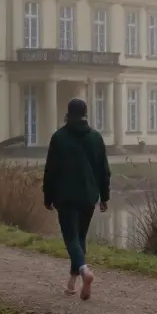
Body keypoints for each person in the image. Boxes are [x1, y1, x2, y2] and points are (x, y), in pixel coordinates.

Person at [42, 97, 111, 300]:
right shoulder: (96, 138)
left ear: (68, 114)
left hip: (66, 196)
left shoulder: (59, 137)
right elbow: (104, 171)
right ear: (85, 114)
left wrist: (48, 196)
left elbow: (50, 171)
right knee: (80, 237)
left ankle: (84, 272)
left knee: (71, 238)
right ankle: (72, 283)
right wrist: (104, 196)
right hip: (89, 196)